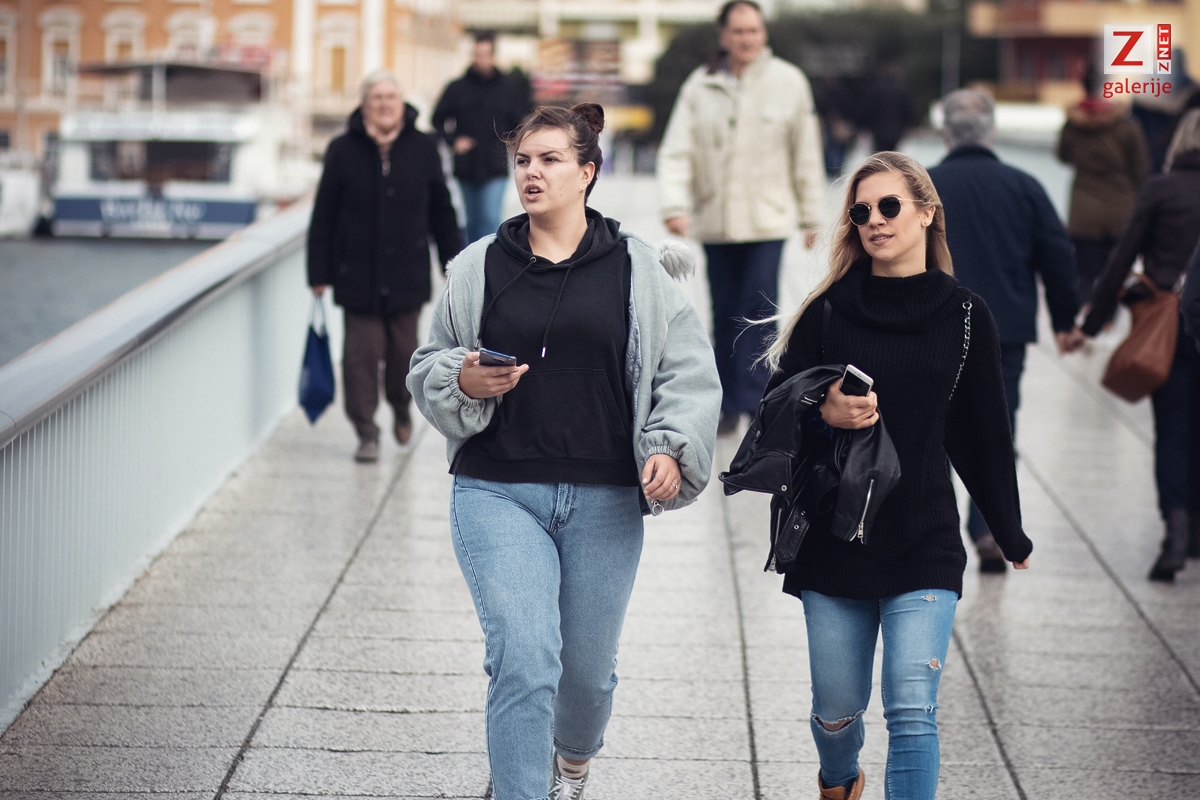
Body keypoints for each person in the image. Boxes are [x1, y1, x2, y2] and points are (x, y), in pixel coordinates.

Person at [407, 103, 721, 800]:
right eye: (523, 160)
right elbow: (429, 363)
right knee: (524, 659)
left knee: (585, 676)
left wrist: (670, 448)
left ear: (587, 172)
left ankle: (573, 762)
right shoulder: (476, 267)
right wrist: (462, 378)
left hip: (606, 497)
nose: (532, 173)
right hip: (497, 489)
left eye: (550, 160)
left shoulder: (638, 269)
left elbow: (688, 373)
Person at [761, 151, 1032, 800]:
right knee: (836, 712)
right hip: (834, 540)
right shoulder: (829, 309)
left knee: (912, 709)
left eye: (889, 206)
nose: (875, 221)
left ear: (927, 212)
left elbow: (984, 433)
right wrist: (824, 409)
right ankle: (839, 777)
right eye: (861, 212)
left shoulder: (965, 315)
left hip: (923, 535)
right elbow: (774, 410)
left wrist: (1008, 531)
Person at [929, 89, 1081, 572]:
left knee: (929, 426)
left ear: (945, 134)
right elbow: (1057, 257)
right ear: (992, 132)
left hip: (930, 324)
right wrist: (1065, 322)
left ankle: (935, 527)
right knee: (998, 426)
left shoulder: (923, 187)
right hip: (1004, 329)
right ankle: (991, 528)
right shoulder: (1025, 185)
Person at [657, 0, 825, 436]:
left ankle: (756, 401)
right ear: (723, 36)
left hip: (767, 219)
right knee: (725, 310)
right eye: (738, 31)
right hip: (715, 220)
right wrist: (675, 205)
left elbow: (806, 153)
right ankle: (728, 402)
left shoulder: (789, 82)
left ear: (763, 33)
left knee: (759, 307)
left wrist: (812, 216)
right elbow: (677, 149)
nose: (747, 39)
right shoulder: (701, 84)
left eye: (754, 30)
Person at [307, 70, 463, 462]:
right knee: (360, 359)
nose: (383, 104)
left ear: (402, 103)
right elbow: (324, 214)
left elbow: (442, 210)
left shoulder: (424, 147)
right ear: (363, 105)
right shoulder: (342, 149)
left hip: (407, 274)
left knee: (402, 355)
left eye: (390, 97)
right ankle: (366, 431)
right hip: (356, 275)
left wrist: (454, 262)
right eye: (375, 97)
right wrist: (318, 272)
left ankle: (400, 405)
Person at [1077, 109, 1200, 581]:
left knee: (1173, 429)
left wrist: (1092, 323)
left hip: (1166, 326)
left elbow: (1122, 257)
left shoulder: (1161, 189)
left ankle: (1176, 533)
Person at [1057, 67, 1149, 306]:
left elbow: (1062, 156)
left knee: (1086, 274)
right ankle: (1107, 320)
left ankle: (1086, 317)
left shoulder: (1073, 124)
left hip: (1084, 211)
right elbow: (1140, 169)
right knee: (1116, 274)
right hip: (1120, 210)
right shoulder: (1127, 125)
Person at [433, 31, 531, 243]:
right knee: (471, 221)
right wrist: (453, 140)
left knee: (489, 218)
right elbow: (437, 119)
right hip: (466, 165)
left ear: (493, 56)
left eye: (486, 55)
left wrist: (516, 145)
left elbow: (520, 123)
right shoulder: (457, 87)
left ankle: (490, 260)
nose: (481, 59)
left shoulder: (508, 88)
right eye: (477, 54)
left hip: (495, 163)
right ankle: (471, 261)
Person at [860, 62, 912, 153]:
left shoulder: (875, 88)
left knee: (880, 155)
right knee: (893, 154)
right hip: (896, 130)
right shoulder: (902, 89)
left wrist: (865, 125)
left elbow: (867, 109)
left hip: (878, 131)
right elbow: (908, 110)